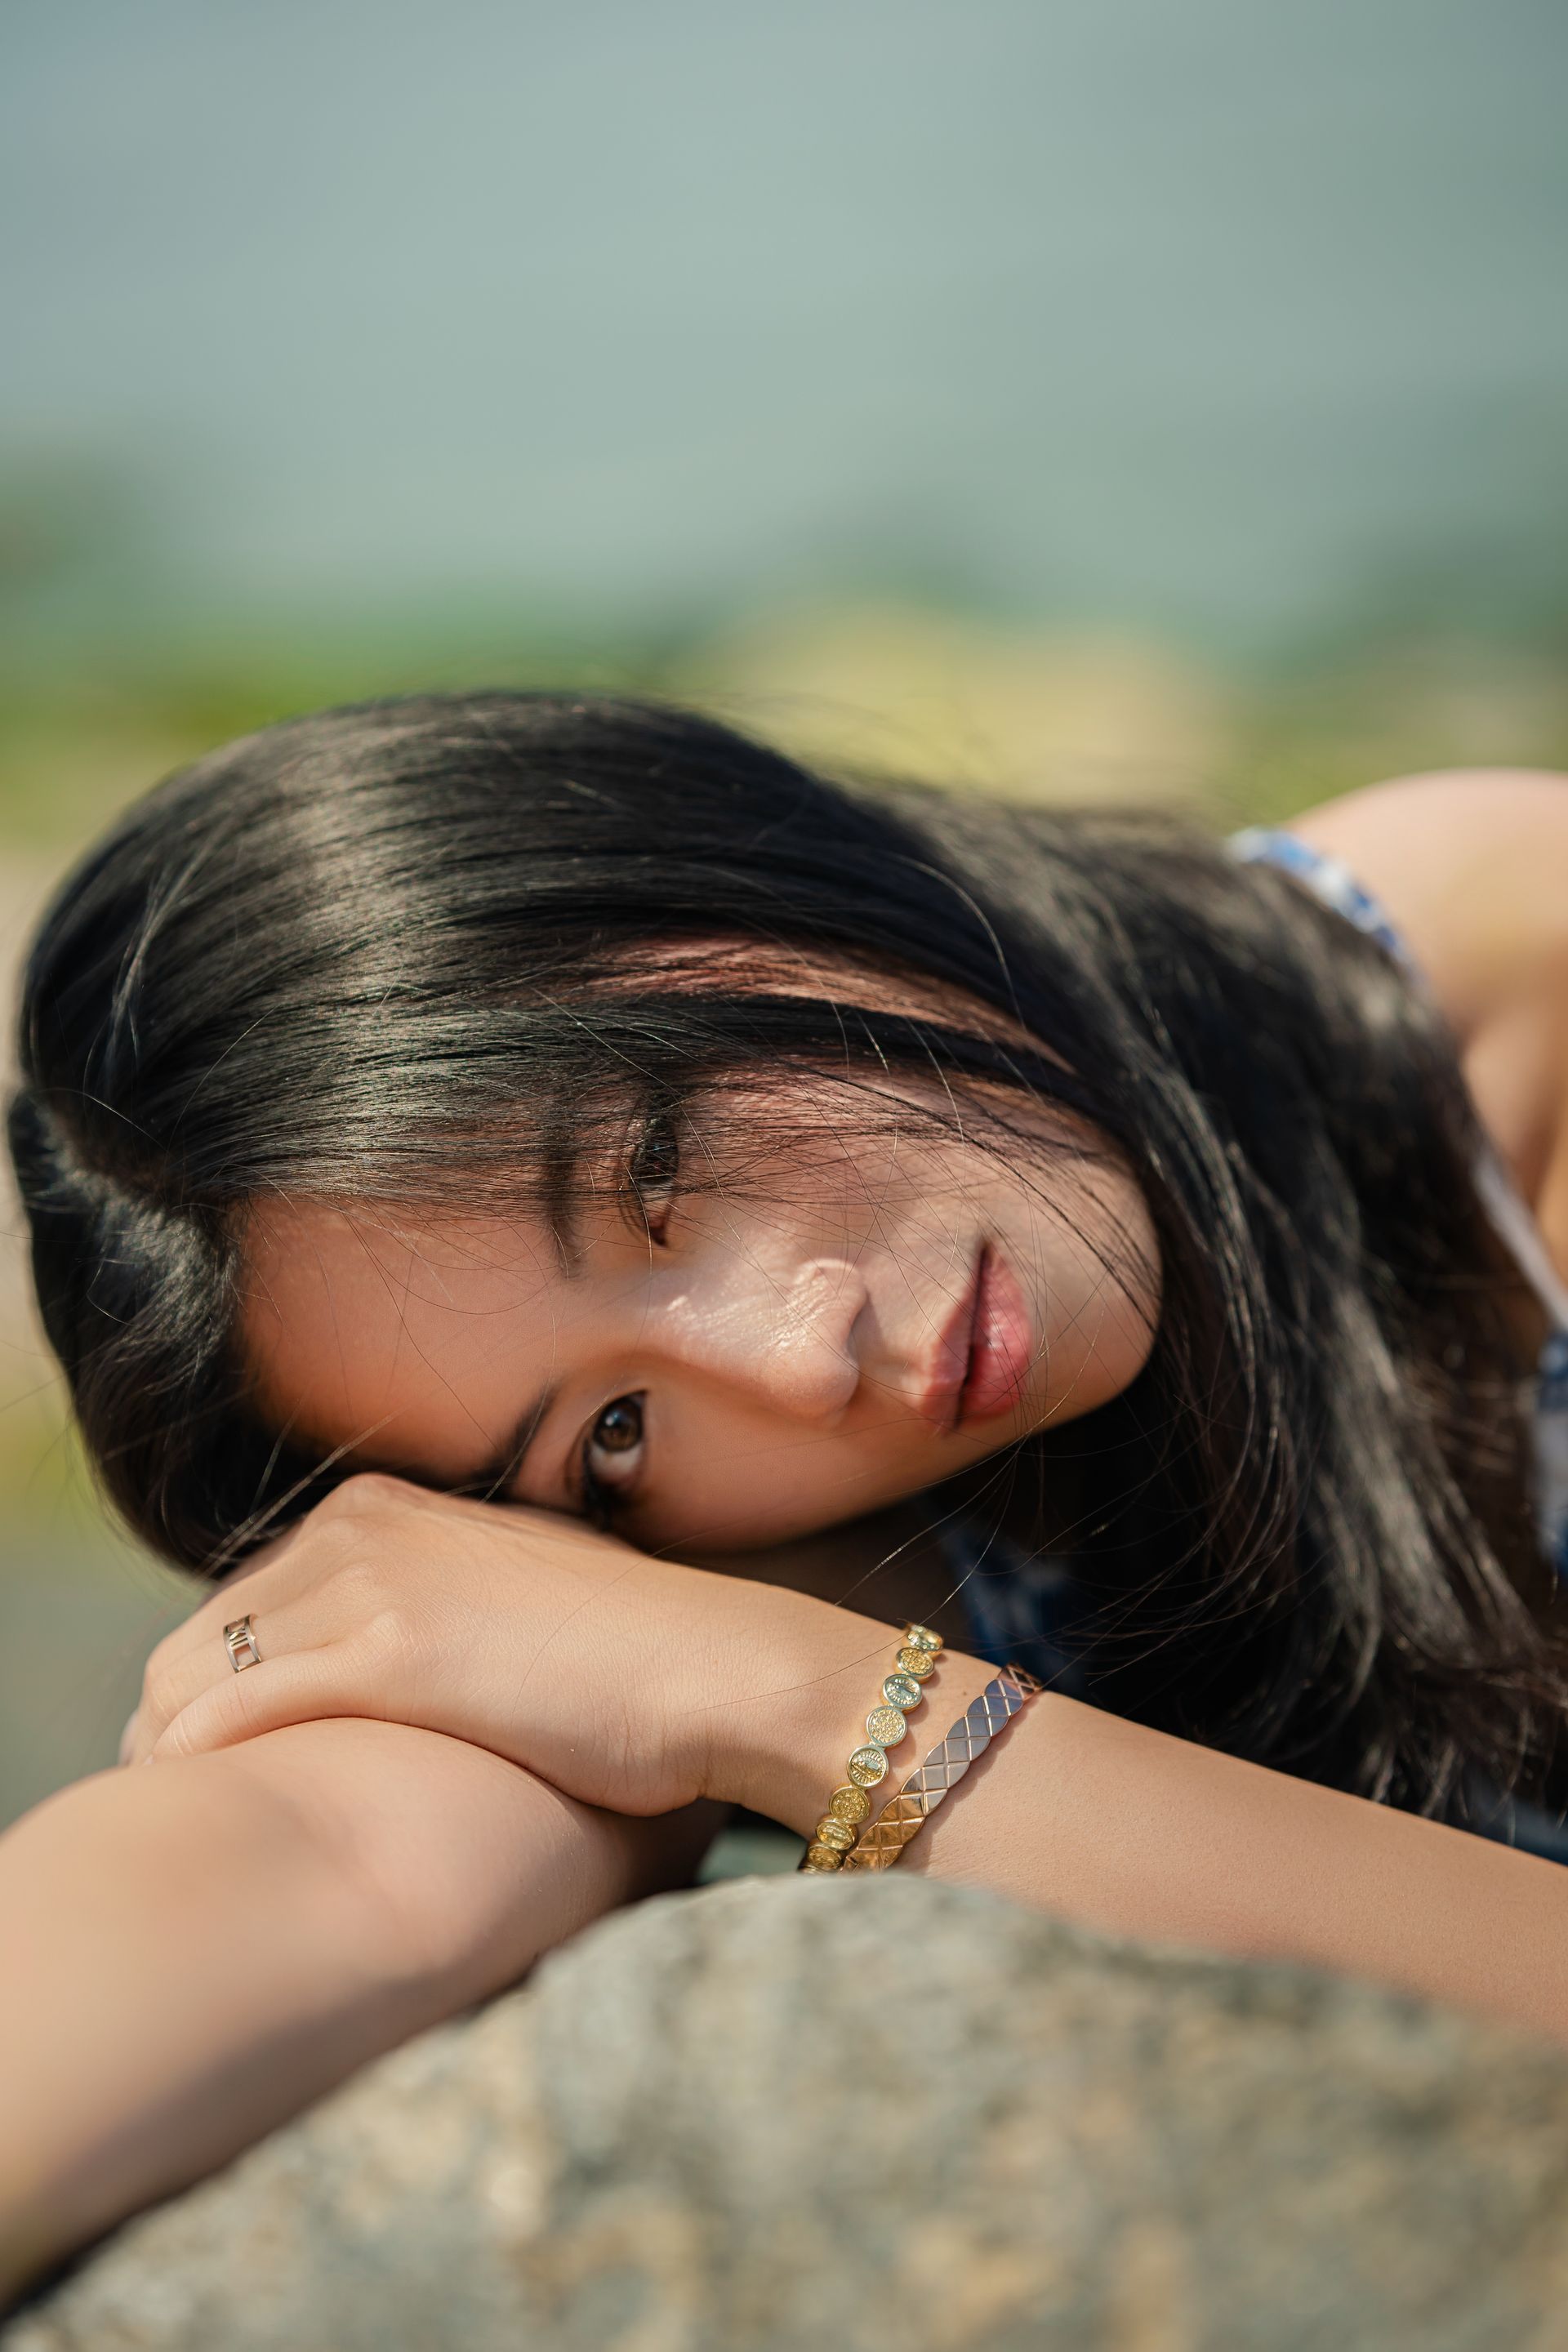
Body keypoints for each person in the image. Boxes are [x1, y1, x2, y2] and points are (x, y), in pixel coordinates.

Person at [4, 693, 1568, 2300]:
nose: (797, 1363)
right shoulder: (868, 1521)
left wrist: (794, 1704)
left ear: (703, 872)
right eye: (613, 1430)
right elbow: (338, 1861)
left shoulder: (1530, 970)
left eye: (658, 1169)